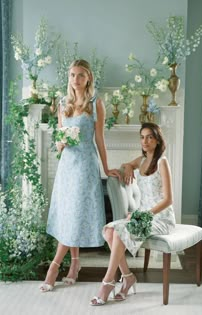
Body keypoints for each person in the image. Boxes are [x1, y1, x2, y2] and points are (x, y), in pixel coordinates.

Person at [40, 59, 120, 292]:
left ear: (89, 78)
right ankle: (74, 264)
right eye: (73, 75)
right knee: (68, 214)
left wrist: (106, 168)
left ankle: (54, 267)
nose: (76, 79)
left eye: (81, 75)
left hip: (85, 165)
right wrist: (61, 142)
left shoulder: (96, 104)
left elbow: (100, 140)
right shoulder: (63, 103)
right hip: (67, 166)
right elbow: (59, 139)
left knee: (75, 213)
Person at [90, 122, 176, 306]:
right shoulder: (142, 160)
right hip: (142, 215)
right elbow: (128, 164)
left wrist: (140, 216)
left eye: (149, 137)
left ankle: (107, 282)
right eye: (142, 137)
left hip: (160, 218)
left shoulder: (162, 162)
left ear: (157, 140)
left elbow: (168, 200)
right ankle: (128, 277)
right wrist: (128, 166)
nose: (145, 141)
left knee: (119, 231)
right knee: (109, 231)